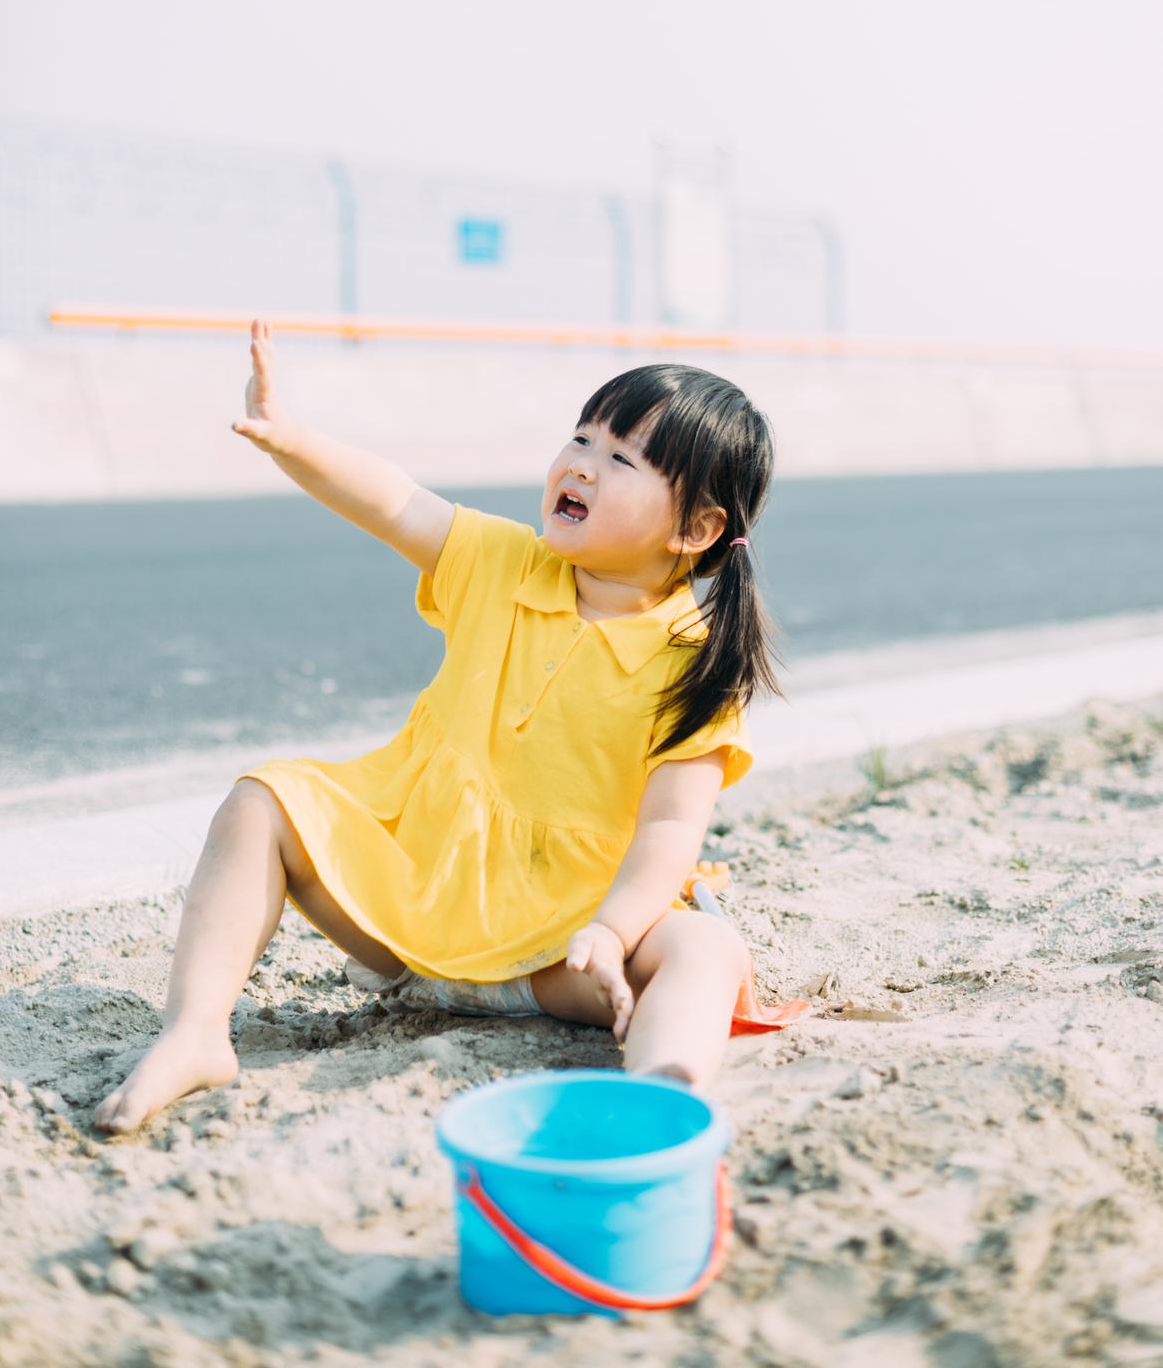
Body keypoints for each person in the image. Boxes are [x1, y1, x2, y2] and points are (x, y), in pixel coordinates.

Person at [94, 320, 805, 1135]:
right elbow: (393, 500)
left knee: (706, 950)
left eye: (621, 458)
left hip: (559, 952)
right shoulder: (503, 561)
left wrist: (610, 933)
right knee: (261, 800)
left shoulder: (693, 663)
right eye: (581, 437)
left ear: (695, 530)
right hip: (409, 920)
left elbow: (671, 830)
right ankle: (194, 1033)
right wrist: (288, 438)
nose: (580, 463)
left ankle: (660, 1098)